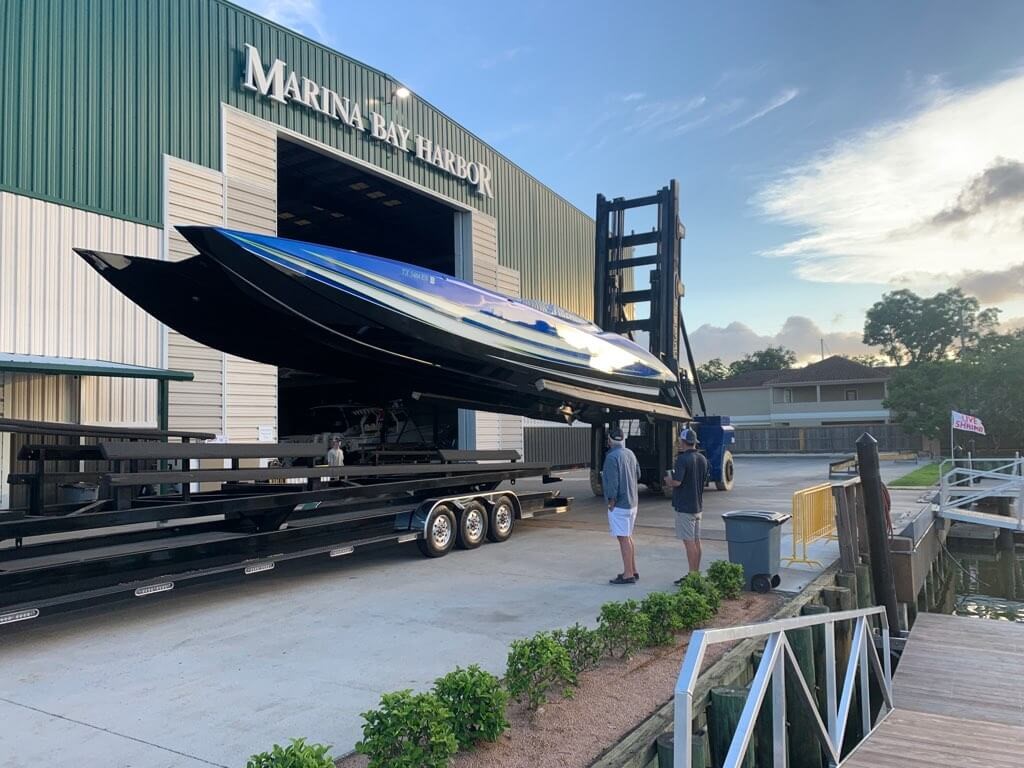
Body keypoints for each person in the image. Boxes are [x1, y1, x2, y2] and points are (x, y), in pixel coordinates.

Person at [664, 427, 708, 583]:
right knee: (697, 541)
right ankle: (696, 573)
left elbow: (677, 481)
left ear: (683, 442)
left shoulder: (682, 460)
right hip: (698, 505)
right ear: (694, 442)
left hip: (684, 506)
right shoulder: (702, 459)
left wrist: (668, 480)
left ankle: (692, 575)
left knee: (688, 542)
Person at [602, 426, 641, 585]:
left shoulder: (611, 458)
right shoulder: (630, 453)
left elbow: (613, 483)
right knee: (629, 536)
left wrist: (611, 500)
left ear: (609, 440)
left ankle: (628, 574)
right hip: (633, 502)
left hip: (620, 504)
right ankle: (633, 569)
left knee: (623, 538)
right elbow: (638, 474)